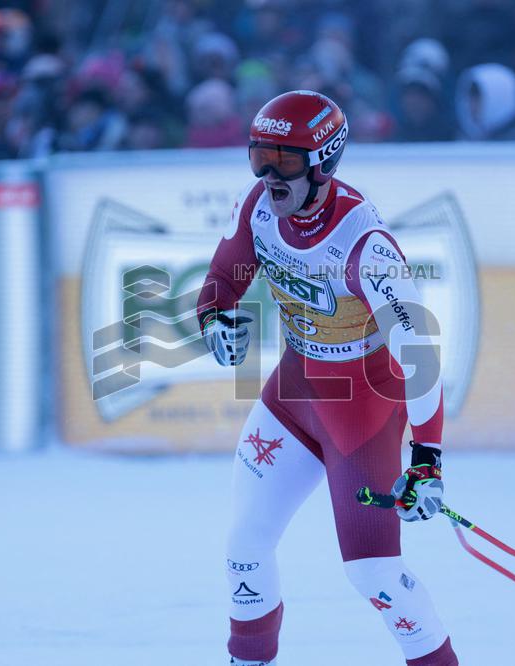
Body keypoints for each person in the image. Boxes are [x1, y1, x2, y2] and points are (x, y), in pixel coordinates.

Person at [197, 90, 458, 666]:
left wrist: (428, 458)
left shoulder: (365, 246)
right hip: (294, 397)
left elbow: (420, 355)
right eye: (258, 157)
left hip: (360, 413)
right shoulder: (258, 206)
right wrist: (213, 318)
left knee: (374, 574)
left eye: (284, 162)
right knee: (245, 545)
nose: (268, 177)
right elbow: (223, 278)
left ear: (324, 162)